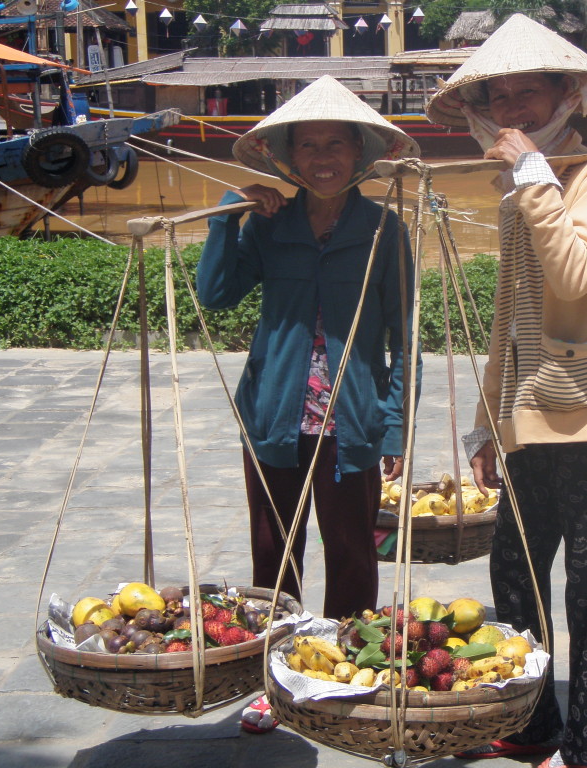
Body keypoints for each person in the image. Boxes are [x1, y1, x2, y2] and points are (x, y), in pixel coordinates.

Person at [426, 16, 587, 768]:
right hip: (532, 419)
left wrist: (532, 175)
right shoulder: (520, 190)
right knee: (514, 578)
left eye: (530, 93)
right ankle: (533, 721)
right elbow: (512, 321)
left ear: (572, 94)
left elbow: (576, 274)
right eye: (499, 99)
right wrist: (487, 423)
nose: (513, 111)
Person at [196, 76, 421, 733]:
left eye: (336, 144)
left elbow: (404, 335)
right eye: (309, 146)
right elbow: (214, 295)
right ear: (288, 159)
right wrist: (227, 211)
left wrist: (396, 426)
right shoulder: (270, 224)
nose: (323, 157)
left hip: (350, 420)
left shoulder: (383, 230)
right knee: (275, 554)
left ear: (358, 155)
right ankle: (276, 677)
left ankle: (342, 670)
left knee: (352, 550)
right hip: (273, 414)